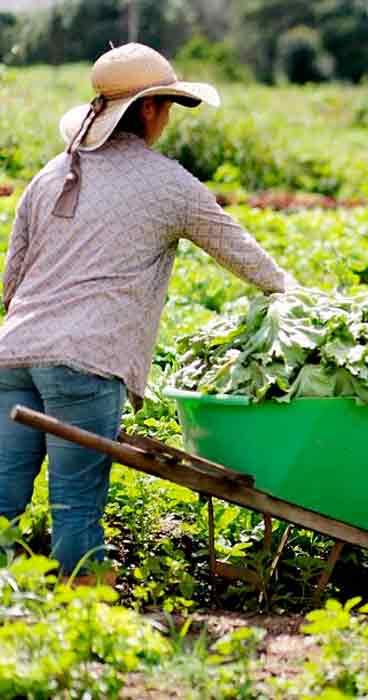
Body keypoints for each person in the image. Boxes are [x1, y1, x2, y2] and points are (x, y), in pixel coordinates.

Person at [0, 44, 293, 583]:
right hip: (86, 361)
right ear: (153, 109)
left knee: (1, 503)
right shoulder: (170, 185)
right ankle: (83, 620)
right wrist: (293, 293)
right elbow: (247, 258)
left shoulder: (49, 174)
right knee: (75, 509)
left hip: (12, 354)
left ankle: (15, 621)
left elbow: (11, 280)